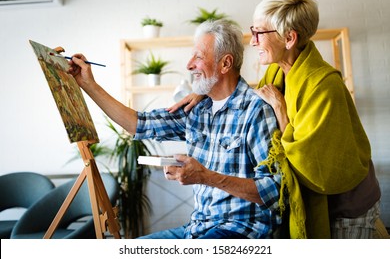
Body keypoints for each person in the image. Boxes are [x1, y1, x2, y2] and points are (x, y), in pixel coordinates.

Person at [170, 0, 381, 239]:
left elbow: (312, 163)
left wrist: (280, 108)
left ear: (289, 38)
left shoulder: (324, 85)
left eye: (260, 33)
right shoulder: (275, 73)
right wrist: (206, 91)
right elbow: (251, 94)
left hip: (346, 205)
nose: (253, 41)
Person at [67, 19, 282, 239]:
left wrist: (207, 177)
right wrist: (88, 85)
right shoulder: (197, 108)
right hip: (197, 228)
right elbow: (138, 124)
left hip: (241, 231)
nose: (189, 65)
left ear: (225, 64)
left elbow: (274, 190)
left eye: (198, 57)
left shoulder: (256, 110)